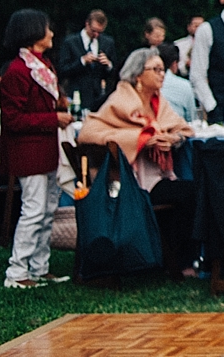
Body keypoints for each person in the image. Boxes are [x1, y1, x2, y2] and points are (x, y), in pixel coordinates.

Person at [80, 47, 198, 277]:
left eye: (163, 69)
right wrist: (142, 140)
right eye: (156, 69)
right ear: (137, 75)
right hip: (130, 186)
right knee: (192, 193)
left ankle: (175, 260)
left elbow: (184, 128)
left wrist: (172, 139)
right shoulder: (120, 100)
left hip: (157, 178)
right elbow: (88, 132)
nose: (162, 74)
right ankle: (182, 263)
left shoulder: (158, 103)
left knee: (192, 191)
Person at [1, 9, 73, 289]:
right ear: (33, 32)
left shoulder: (44, 65)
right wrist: (52, 119)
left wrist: (58, 105)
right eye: (47, 28)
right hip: (28, 151)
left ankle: (39, 267)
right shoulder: (17, 71)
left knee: (47, 211)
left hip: (47, 149)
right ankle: (16, 271)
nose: (52, 33)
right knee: (32, 210)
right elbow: (13, 119)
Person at [57, 9, 117, 112]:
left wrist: (108, 64)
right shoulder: (70, 42)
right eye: (94, 31)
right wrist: (82, 61)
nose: (96, 35)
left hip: (99, 96)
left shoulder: (108, 42)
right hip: (77, 94)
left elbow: (115, 72)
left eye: (100, 32)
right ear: (87, 24)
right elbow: (62, 70)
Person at [157, 43, 199, 123]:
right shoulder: (184, 85)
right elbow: (191, 119)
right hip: (177, 130)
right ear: (174, 63)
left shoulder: (143, 83)